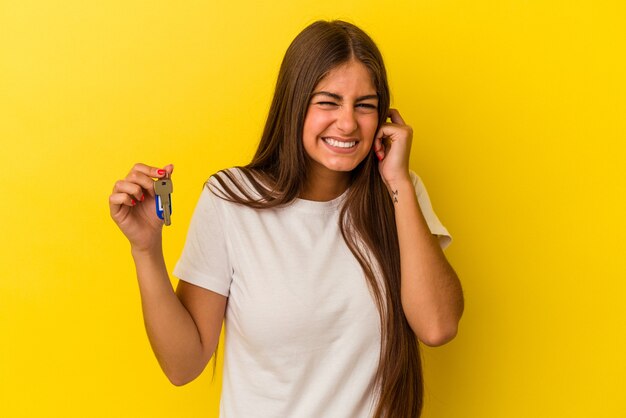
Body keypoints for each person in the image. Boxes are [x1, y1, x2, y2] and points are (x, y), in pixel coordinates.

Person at [109, 20, 463, 418]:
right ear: (295, 104)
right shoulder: (232, 200)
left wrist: (397, 179)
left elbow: (437, 327)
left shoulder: (398, 193)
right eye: (328, 102)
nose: (348, 123)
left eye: (364, 105)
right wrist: (146, 250)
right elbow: (182, 365)